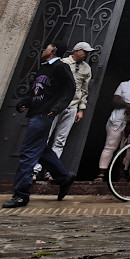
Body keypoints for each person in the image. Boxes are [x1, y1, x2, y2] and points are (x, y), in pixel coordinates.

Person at [2, 42, 76, 208]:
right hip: (36, 112)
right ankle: (64, 177)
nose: (43, 50)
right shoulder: (43, 68)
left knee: (28, 153)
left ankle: (21, 194)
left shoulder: (60, 67)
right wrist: (25, 102)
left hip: (44, 115)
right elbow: (37, 91)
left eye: (46, 48)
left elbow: (70, 89)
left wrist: (57, 108)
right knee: (41, 150)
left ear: (54, 50)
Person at [34, 41, 93, 181]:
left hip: (72, 107)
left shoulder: (86, 69)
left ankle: (51, 171)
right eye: (85, 51)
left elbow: (84, 90)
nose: (86, 54)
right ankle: (34, 170)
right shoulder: (62, 63)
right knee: (45, 137)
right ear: (77, 50)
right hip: (56, 106)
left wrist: (81, 109)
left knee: (60, 141)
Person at [98, 68, 130, 180]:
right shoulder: (123, 85)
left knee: (128, 147)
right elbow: (115, 99)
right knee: (110, 146)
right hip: (118, 119)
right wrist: (128, 105)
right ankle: (101, 174)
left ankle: (123, 173)